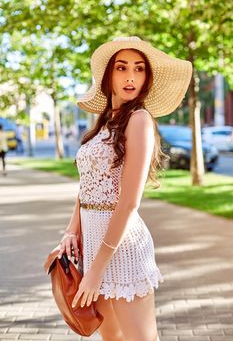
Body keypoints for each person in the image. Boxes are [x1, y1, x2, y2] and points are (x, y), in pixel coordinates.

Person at [58, 36, 192, 341]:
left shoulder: (139, 120)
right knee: (112, 339)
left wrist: (95, 271)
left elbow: (129, 203)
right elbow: (88, 187)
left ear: (146, 78)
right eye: (121, 68)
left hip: (122, 249)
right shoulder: (104, 124)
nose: (130, 76)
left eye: (139, 69)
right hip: (93, 247)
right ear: (108, 76)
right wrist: (71, 230)